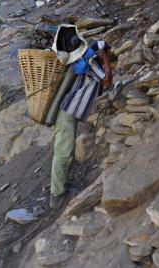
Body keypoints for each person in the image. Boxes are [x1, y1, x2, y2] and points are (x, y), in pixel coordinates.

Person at [49, 25, 112, 209]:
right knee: (63, 152)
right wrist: (105, 60)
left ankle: (61, 187)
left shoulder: (78, 61)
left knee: (64, 150)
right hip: (66, 113)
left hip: (66, 111)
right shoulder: (91, 61)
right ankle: (57, 194)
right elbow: (107, 81)